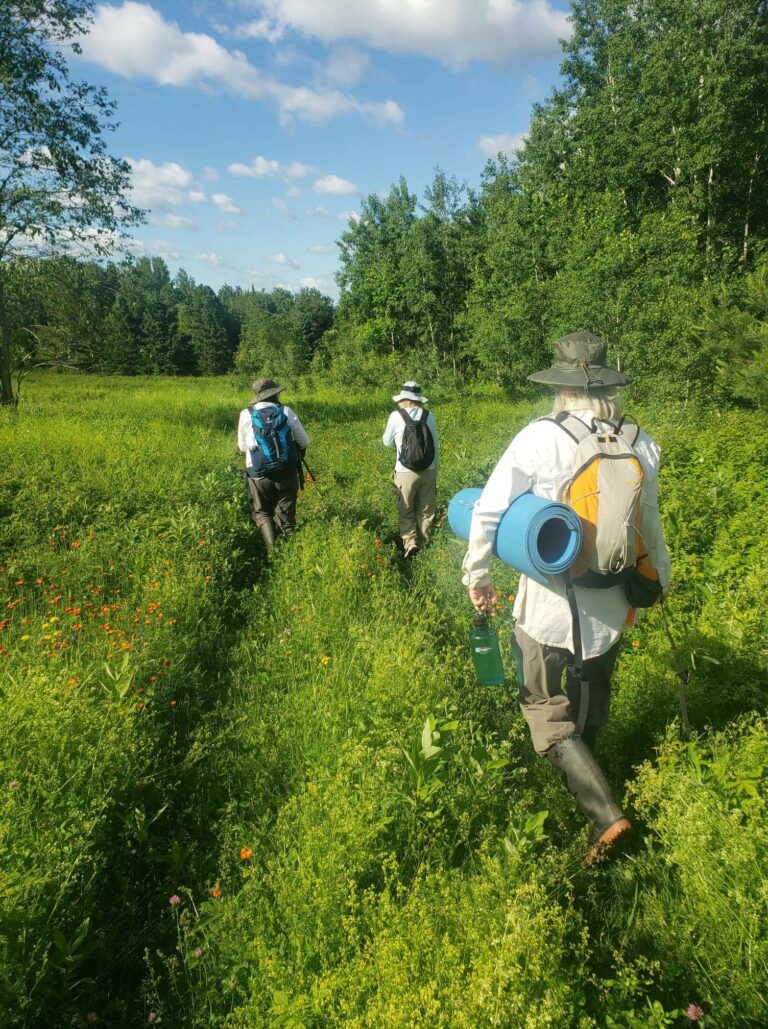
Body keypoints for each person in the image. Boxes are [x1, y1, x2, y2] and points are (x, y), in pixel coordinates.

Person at [461, 332, 670, 862]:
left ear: (560, 385)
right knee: (589, 707)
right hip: (611, 605)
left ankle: (605, 817)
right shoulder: (642, 443)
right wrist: (656, 583)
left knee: (544, 710)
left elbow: (488, 509)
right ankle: (591, 782)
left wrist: (477, 575)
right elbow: (650, 527)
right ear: (606, 385)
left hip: (550, 607)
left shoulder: (541, 437)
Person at [238, 378, 310, 549]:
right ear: (275, 393)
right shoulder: (285, 411)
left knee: (262, 512)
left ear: (258, 395)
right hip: (286, 471)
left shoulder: (246, 414)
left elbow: (242, 447)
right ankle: (292, 555)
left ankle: (272, 553)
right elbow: (305, 441)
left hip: (258, 474)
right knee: (287, 518)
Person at [382, 381, 440, 559]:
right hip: (428, 470)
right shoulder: (429, 416)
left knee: (405, 509)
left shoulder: (395, 416)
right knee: (426, 510)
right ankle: (424, 544)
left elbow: (386, 442)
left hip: (405, 471)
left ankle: (410, 543)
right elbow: (435, 445)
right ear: (419, 399)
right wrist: (434, 469)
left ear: (402, 399)